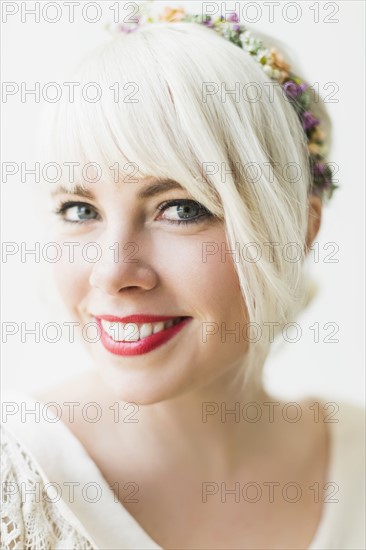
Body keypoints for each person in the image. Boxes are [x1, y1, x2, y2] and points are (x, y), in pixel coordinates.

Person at [1, 5, 364, 550]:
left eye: (182, 209)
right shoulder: (17, 485)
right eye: (80, 210)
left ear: (299, 229)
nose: (112, 272)